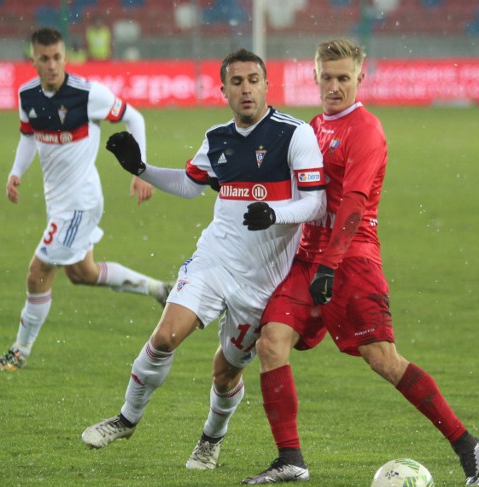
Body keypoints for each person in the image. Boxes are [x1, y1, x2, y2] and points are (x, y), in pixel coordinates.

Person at [188, 38, 479, 487]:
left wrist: (329, 266)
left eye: (343, 78)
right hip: (307, 256)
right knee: (272, 342)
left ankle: (467, 444)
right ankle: (290, 458)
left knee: (383, 358)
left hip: (350, 260)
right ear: (314, 77)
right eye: (327, 77)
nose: (334, 86)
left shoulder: (365, 130)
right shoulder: (314, 126)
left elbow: (352, 204)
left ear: (359, 78)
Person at [80, 49, 326, 452]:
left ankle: (211, 438)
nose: (246, 89)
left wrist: (276, 213)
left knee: (224, 373)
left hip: (262, 281)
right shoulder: (217, 139)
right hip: (214, 261)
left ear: (266, 85)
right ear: (224, 91)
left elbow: (316, 202)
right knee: (164, 338)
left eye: (253, 80)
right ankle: (126, 418)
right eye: (237, 82)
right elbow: (190, 185)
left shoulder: (294, 133)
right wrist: (141, 169)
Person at [0, 27, 170, 372]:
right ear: (34, 61)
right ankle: (157, 288)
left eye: (58, 57)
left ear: (65, 58)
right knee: (82, 272)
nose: (52, 65)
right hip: (58, 202)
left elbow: (135, 117)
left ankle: (19, 351)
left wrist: (140, 170)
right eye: (45, 58)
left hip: (79, 203)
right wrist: (16, 171)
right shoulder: (27, 95)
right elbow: (28, 137)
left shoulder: (87, 94)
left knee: (37, 273)